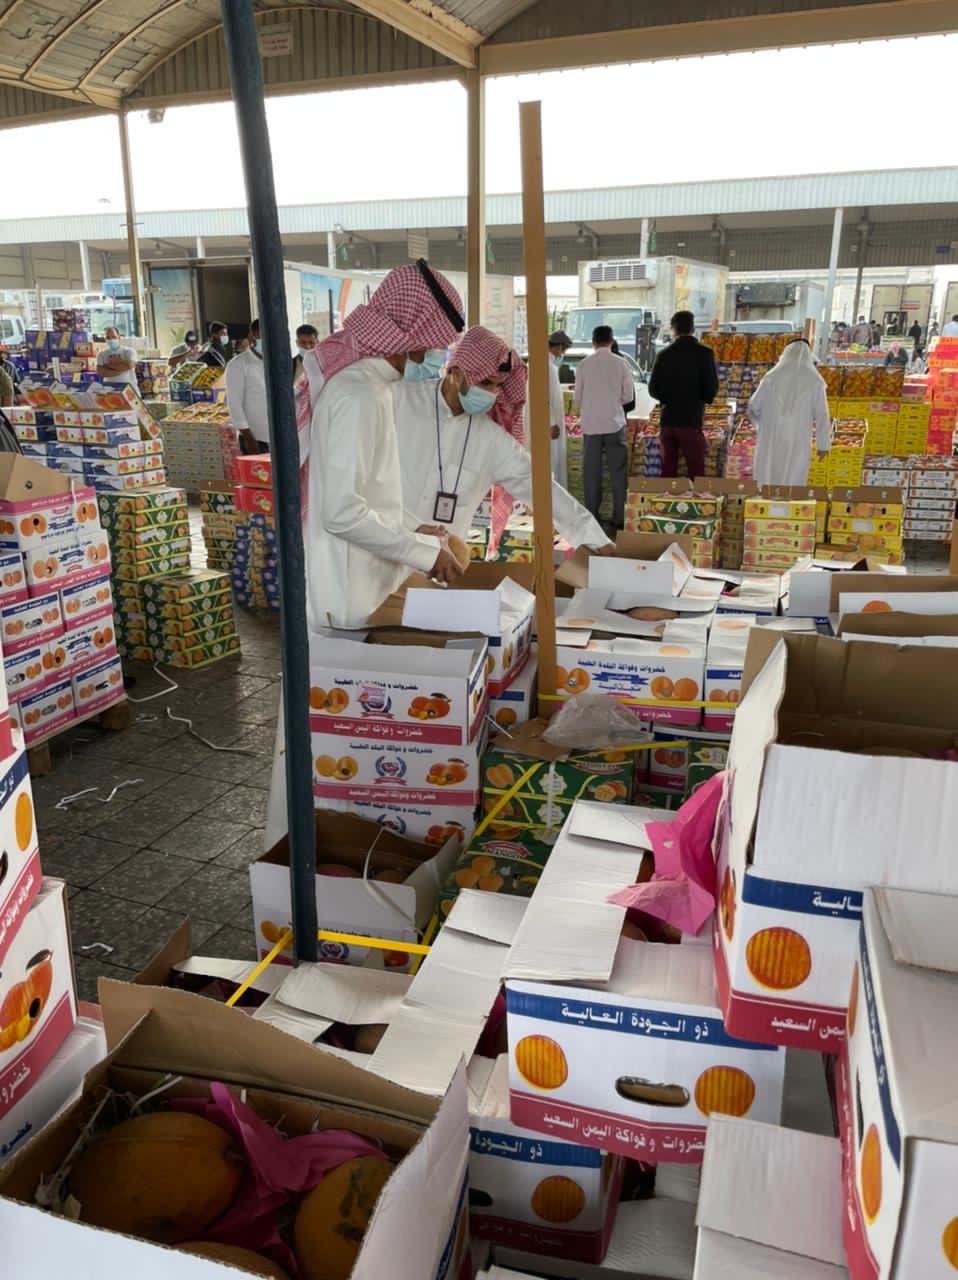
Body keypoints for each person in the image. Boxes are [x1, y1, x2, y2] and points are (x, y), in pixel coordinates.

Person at [306, 260, 466, 632]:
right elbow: (342, 512)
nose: (439, 357)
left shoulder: (375, 387)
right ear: (413, 338)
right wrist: (425, 555)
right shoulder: (357, 394)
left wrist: (416, 527)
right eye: (437, 345)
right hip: (349, 592)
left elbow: (373, 494)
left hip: (373, 581)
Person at [395, 325, 612, 558]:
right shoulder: (400, 401)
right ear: (456, 374)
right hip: (383, 558)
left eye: (498, 385)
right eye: (487, 383)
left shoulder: (490, 437)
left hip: (442, 565)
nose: (493, 393)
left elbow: (539, 487)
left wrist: (598, 540)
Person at [574, 325, 634, 529]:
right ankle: (619, 518)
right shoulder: (622, 363)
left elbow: (578, 397)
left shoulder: (583, 365)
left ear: (593, 342)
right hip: (615, 424)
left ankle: (592, 518)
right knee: (618, 472)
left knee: (591, 473)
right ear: (612, 341)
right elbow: (628, 397)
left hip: (591, 425)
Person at [747, 339, 830, 486]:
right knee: (793, 476)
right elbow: (822, 415)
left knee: (768, 473)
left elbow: (753, 407)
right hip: (798, 438)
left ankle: (765, 500)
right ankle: (789, 501)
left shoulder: (771, 377)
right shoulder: (815, 381)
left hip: (770, 437)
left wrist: (761, 424)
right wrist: (823, 446)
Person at [647, 310, 718, 480]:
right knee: (695, 471)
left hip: (668, 421)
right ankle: (697, 498)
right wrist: (699, 398)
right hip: (691, 420)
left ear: (674, 330)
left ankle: (666, 497)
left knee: (668, 470)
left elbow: (653, 389)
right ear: (693, 329)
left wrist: (668, 399)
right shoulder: (705, 353)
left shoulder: (664, 354)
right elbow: (711, 389)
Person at [225, 320, 269, 454]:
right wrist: (249, 439)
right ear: (252, 337)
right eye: (261, 335)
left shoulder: (277, 362)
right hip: (256, 439)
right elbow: (234, 405)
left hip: (278, 437)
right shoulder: (238, 364)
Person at [547, 329, 572, 485]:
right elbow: (544, 398)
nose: (561, 355)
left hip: (551, 423)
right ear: (559, 347)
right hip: (549, 426)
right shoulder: (546, 366)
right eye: (563, 351)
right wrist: (549, 423)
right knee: (550, 464)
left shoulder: (549, 365)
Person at [95, 326, 139, 391]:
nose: (111, 340)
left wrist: (109, 366)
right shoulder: (101, 354)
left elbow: (130, 365)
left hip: (129, 389)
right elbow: (100, 372)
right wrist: (122, 367)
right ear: (105, 339)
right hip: (109, 389)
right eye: (108, 337)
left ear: (119, 337)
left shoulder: (129, 351)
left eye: (114, 337)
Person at [293, 323, 323, 407]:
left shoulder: (323, 364)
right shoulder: (290, 365)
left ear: (317, 342)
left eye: (311, 342)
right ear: (297, 343)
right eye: (303, 343)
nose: (308, 346)